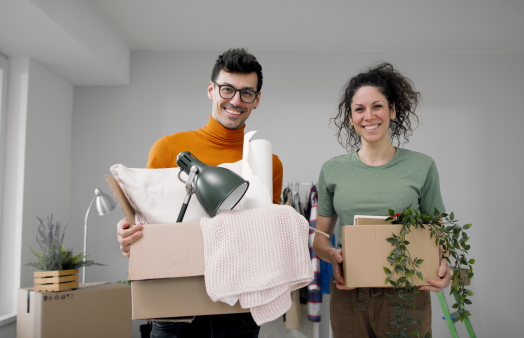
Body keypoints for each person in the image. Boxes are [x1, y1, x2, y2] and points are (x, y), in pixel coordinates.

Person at [116, 48, 283, 338]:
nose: (235, 100)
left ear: (257, 100)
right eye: (227, 89)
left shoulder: (267, 162)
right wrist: (128, 232)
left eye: (246, 93)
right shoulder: (169, 148)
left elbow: (267, 235)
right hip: (175, 305)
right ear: (211, 90)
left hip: (239, 307)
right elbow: (145, 221)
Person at [313, 62, 451, 337]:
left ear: (393, 110)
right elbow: (319, 239)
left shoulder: (422, 167)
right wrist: (332, 255)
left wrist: (444, 262)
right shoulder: (333, 170)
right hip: (350, 295)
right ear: (351, 117)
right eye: (359, 109)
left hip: (406, 296)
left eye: (377, 106)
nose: (369, 116)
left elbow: (436, 231)